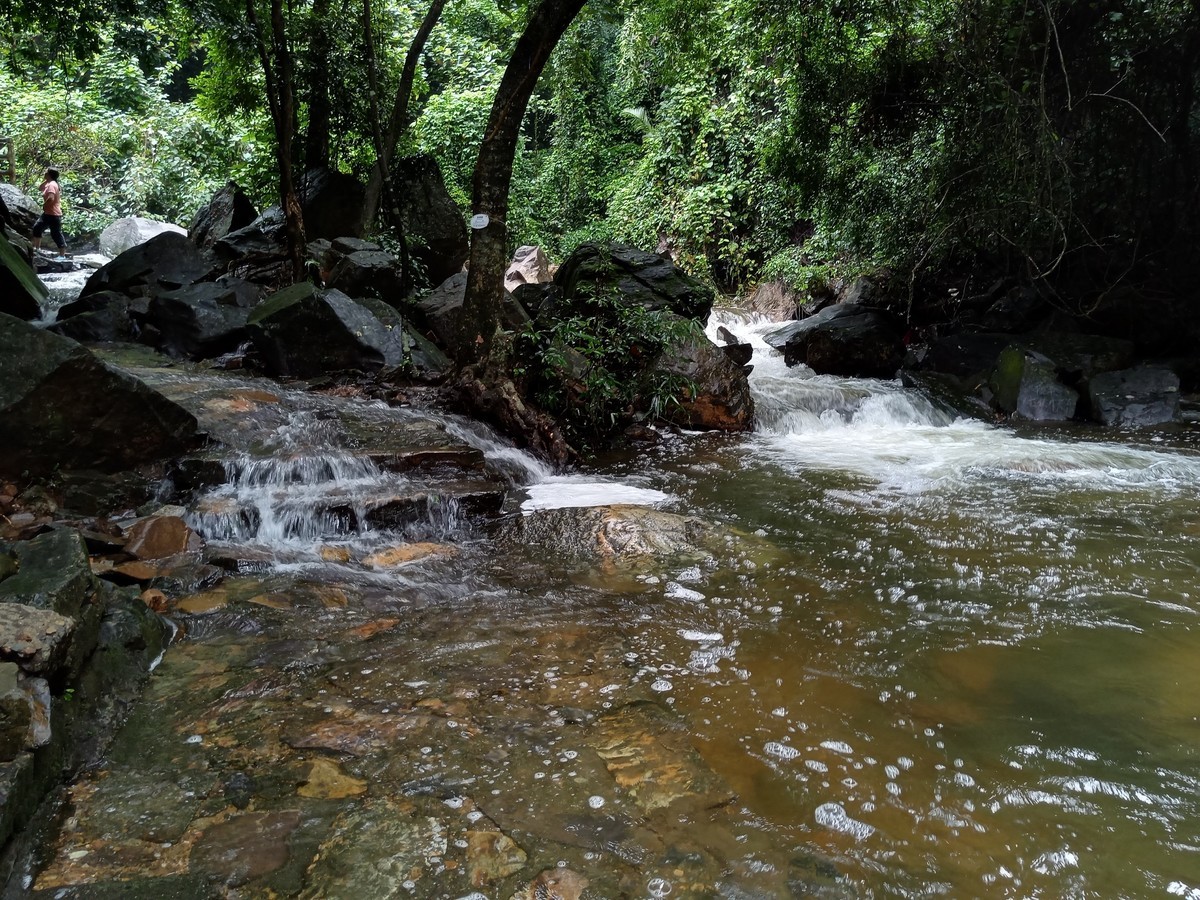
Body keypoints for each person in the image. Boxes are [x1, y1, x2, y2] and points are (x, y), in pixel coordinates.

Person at [31, 167, 69, 256]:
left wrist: (44, 204)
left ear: (49, 174)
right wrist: (47, 180)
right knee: (37, 228)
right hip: (48, 213)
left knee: (56, 234)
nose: (44, 173)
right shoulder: (51, 183)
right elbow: (40, 188)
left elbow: (51, 198)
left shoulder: (52, 185)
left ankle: (62, 255)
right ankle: (37, 249)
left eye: (46, 172)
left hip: (53, 214)